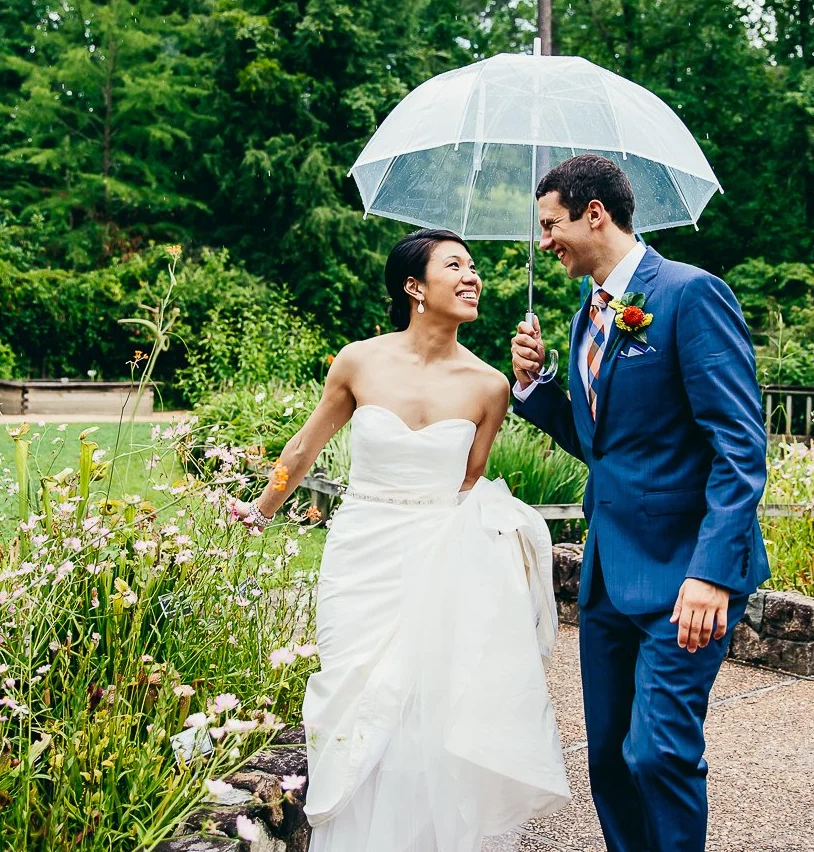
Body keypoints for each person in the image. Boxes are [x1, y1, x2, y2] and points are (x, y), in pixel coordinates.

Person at [239, 227, 570, 852]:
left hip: (438, 560)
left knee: (426, 713)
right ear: (414, 287)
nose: (473, 277)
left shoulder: (491, 385)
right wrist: (263, 507)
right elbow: (303, 449)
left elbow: (469, 482)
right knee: (352, 696)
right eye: (456, 266)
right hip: (360, 555)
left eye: (474, 267)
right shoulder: (359, 360)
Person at [509, 153, 769, 852]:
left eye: (550, 224)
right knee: (607, 762)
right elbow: (606, 447)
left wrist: (712, 572)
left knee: (657, 754)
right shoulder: (584, 320)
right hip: (606, 578)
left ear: (595, 213)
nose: (544, 242)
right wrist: (534, 392)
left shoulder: (691, 295)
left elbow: (740, 448)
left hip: (685, 575)